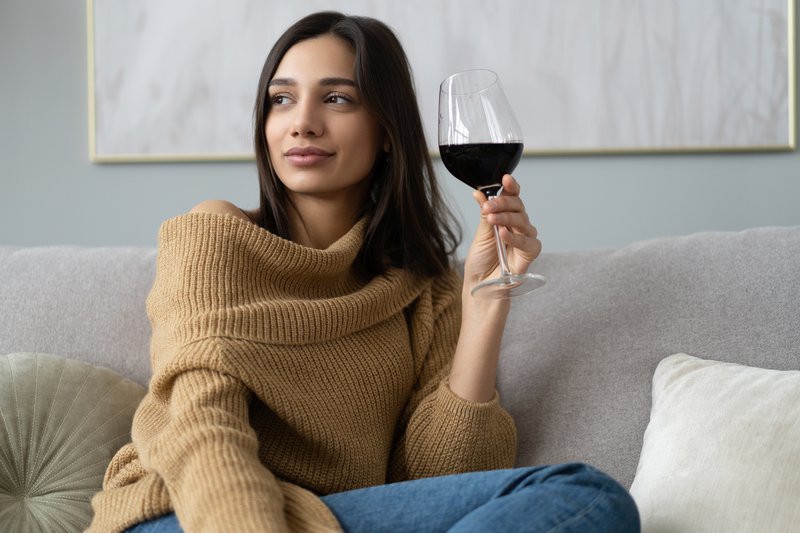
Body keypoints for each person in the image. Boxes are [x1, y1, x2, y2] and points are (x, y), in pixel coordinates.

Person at [89, 11, 639, 533]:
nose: (302, 123)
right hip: (189, 512)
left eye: (335, 98)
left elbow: (441, 479)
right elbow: (202, 431)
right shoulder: (216, 236)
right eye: (281, 100)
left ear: (386, 132)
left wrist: (484, 303)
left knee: (584, 498)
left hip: (334, 516)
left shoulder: (421, 288)